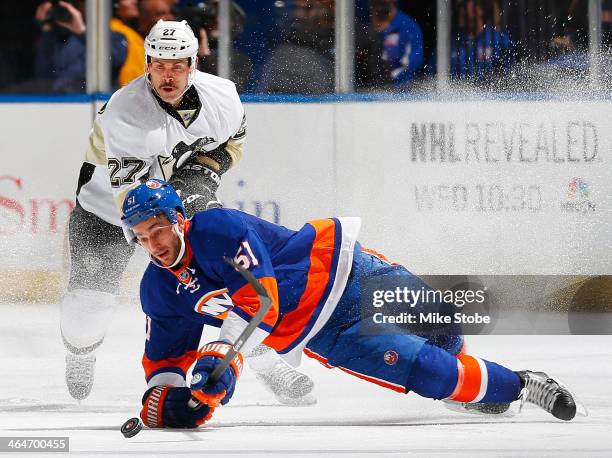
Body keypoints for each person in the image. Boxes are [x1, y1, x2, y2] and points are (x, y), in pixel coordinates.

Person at [121, 179, 579, 429]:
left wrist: (221, 360)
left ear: (179, 220)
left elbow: (263, 301)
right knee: (431, 373)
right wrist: (173, 402)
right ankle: (520, 385)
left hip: (347, 270)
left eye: (157, 229)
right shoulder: (157, 290)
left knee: (443, 327)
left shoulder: (217, 228)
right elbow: (165, 359)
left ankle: (470, 387)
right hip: (328, 334)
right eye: (141, 237)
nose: (152, 244)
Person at [61, 19, 314, 406]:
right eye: (159, 65)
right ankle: (81, 351)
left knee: (221, 273)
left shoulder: (224, 97)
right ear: (147, 63)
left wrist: (201, 172)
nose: (168, 74)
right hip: (105, 209)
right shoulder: (126, 113)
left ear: (194, 62)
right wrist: (170, 242)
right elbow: (131, 198)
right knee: (88, 310)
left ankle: (263, 363)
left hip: (180, 192)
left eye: (177, 65)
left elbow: (233, 145)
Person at [257, 0, 390, 94]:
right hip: (303, 104)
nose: (307, 4)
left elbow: (377, 85)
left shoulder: (364, 37)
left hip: (350, 106)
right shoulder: (291, 35)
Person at [369, 0, 424, 87]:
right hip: (369, 88)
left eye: (382, 3)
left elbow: (415, 60)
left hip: (400, 88)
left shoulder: (408, 26)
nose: (379, 8)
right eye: (376, 3)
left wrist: (392, 76)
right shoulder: (367, 26)